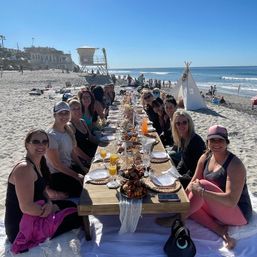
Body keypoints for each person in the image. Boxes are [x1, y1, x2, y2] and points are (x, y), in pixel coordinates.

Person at [4, 129, 82, 250]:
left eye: (45, 142)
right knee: (78, 216)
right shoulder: (24, 169)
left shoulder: (39, 163)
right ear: (27, 145)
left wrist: (50, 203)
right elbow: (26, 207)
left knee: (71, 204)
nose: (41, 145)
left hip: (37, 211)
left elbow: (43, 191)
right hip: (21, 227)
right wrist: (50, 210)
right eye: (36, 142)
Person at [186, 125, 252, 249]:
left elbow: (231, 201)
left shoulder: (235, 165)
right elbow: (193, 181)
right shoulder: (205, 158)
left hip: (239, 212)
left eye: (220, 140)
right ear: (207, 142)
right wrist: (184, 200)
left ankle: (179, 218)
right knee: (193, 203)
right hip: (218, 204)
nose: (216, 143)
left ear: (227, 142)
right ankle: (220, 230)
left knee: (202, 186)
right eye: (212, 140)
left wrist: (202, 192)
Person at [46, 101, 86, 197]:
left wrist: (81, 166)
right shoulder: (51, 135)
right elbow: (57, 165)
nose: (64, 116)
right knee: (84, 190)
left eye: (66, 113)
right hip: (56, 175)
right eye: (60, 113)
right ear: (55, 115)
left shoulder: (67, 130)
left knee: (91, 176)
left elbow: (72, 152)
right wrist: (76, 175)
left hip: (68, 169)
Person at [171, 110, 206, 188]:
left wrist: (180, 178)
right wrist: (176, 172)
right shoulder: (183, 138)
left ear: (189, 123)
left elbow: (196, 170)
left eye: (184, 122)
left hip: (198, 178)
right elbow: (183, 160)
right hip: (189, 172)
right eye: (178, 123)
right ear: (175, 125)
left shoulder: (196, 142)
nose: (181, 126)